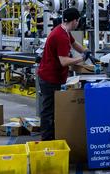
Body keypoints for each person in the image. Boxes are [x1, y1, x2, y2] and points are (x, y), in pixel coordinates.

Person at [37, 8, 91, 140]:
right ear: (75, 21)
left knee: (53, 109)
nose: (78, 23)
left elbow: (74, 43)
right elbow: (64, 61)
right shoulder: (60, 36)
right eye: (78, 21)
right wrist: (82, 58)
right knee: (49, 111)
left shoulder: (63, 30)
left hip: (53, 76)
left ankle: (53, 136)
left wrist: (86, 51)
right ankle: (47, 140)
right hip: (49, 78)